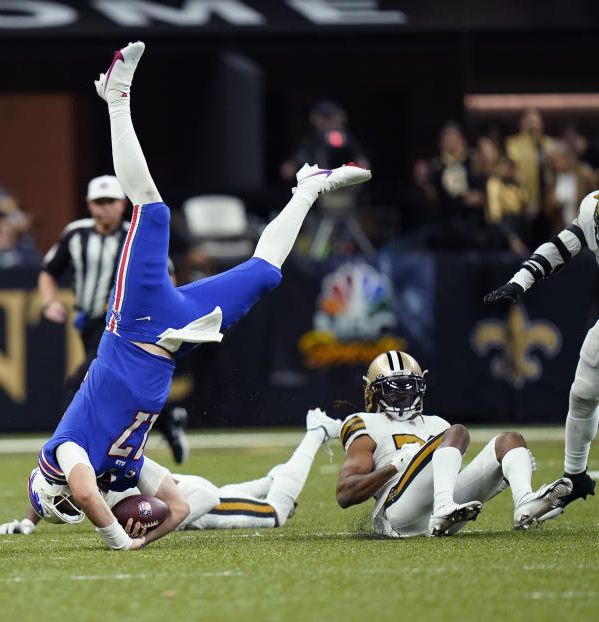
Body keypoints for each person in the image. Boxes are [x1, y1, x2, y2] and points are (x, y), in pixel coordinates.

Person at [25, 41, 371, 552]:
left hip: (135, 326)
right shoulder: (121, 463)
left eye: (73, 504)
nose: (85, 500)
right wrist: (147, 539)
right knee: (265, 273)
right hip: (173, 339)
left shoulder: (67, 454)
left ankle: (115, 98)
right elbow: (181, 508)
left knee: (153, 210)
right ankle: (307, 188)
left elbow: (81, 486)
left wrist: (119, 540)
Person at [336, 350, 572, 537]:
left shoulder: (437, 423)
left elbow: (448, 480)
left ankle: (524, 500)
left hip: (441, 508)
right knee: (457, 432)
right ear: (374, 392)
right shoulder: (366, 423)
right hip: (397, 512)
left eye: (410, 386)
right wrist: (393, 467)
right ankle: (443, 508)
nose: (403, 395)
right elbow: (344, 494)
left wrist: (498, 476)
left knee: (510, 441)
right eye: (393, 389)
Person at [0, 409, 340, 535]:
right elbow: (53, 489)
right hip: (184, 493)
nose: (76, 507)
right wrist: (29, 521)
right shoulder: (76, 470)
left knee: (277, 512)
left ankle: (317, 431)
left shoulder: (86, 470)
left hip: (200, 509)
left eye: (69, 504)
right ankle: (270, 479)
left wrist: (154, 526)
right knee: (245, 488)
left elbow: (202, 499)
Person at [39, 174, 189, 462]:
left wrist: (159, 312)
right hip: (89, 324)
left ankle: (63, 452)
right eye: (98, 202)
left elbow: (166, 274)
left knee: (79, 383)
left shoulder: (136, 236)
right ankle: (170, 421)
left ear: (122, 204)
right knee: (123, 387)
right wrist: (48, 302)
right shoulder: (76, 233)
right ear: (88, 204)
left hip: (124, 324)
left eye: (109, 202)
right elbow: (49, 271)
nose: (104, 208)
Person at [484, 189, 599, 511]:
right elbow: (562, 246)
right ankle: (574, 477)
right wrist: (520, 281)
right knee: (584, 392)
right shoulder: (593, 207)